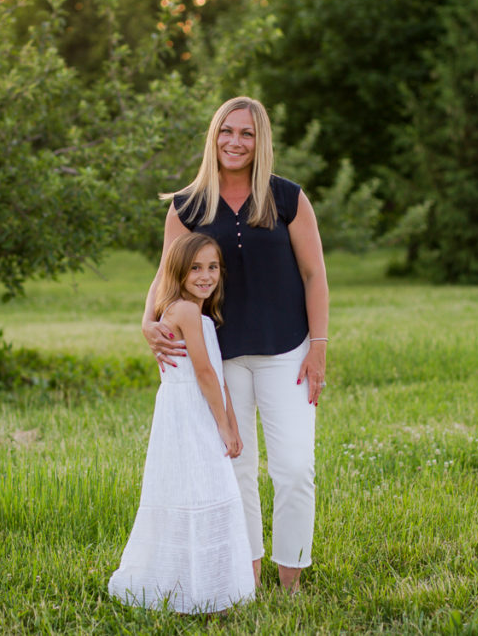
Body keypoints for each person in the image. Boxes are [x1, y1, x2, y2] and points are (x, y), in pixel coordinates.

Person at [142, 96, 329, 593]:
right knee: (237, 468)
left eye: (246, 133)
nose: (235, 142)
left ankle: (291, 580)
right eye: (227, 131)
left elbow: (315, 275)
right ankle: (246, 579)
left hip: (287, 351)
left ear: (260, 139)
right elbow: (166, 275)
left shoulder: (287, 198)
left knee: (294, 469)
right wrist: (146, 323)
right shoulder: (188, 205)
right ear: (214, 136)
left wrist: (319, 346)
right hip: (220, 357)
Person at [109, 232, 255, 614]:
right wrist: (223, 426)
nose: (206, 276)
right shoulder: (185, 312)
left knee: (200, 489)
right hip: (191, 412)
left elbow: (216, 376)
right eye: (195, 268)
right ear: (178, 270)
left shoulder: (193, 311)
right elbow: (205, 373)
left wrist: (233, 422)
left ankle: (205, 585)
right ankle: (197, 590)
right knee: (202, 491)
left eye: (213, 268)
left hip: (197, 408)